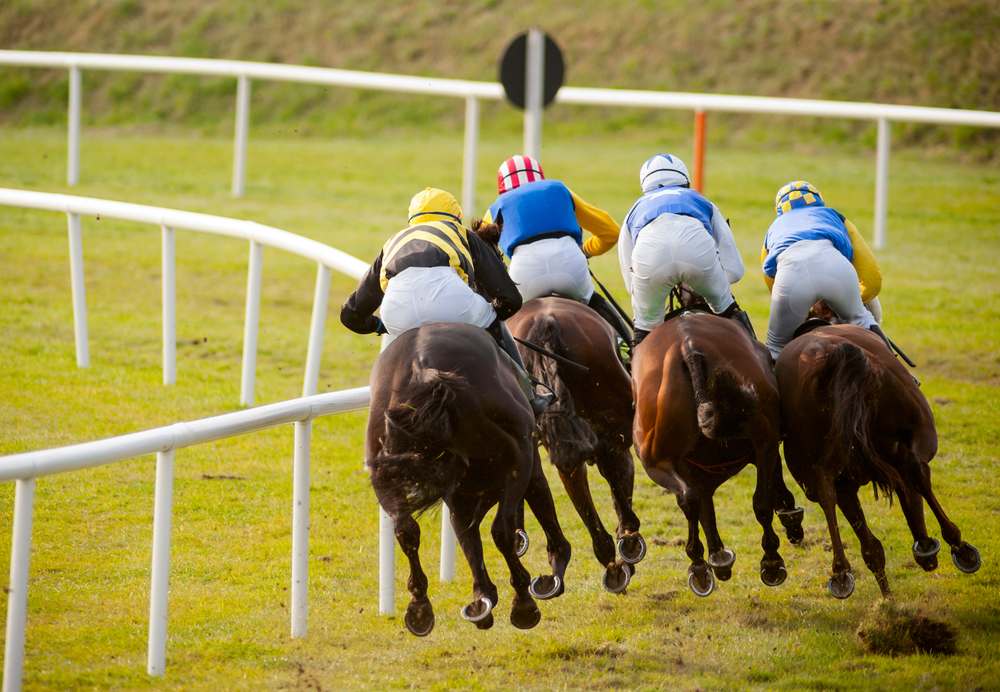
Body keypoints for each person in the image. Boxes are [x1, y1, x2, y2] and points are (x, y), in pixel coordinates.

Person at [340, 187, 552, 414]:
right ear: (456, 216)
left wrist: (380, 325)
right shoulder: (462, 234)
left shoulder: (393, 242)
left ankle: (385, 415)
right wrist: (492, 316)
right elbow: (509, 298)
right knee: (494, 322)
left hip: (396, 315)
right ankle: (529, 395)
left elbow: (350, 315)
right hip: (452, 304)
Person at [482, 154, 633, 359]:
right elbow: (611, 232)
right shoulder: (559, 189)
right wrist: (585, 250)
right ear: (540, 178)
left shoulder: (497, 206)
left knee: (499, 327)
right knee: (595, 303)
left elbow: (482, 258)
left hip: (524, 273)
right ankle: (626, 351)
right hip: (569, 264)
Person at [618, 153, 753, 346]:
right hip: (698, 257)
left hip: (650, 262)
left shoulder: (634, 209)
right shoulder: (701, 200)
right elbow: (735, 270)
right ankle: (759, 359)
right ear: (684, 180)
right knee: (728, 311)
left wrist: (646, 296)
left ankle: (635, 371)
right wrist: (716, 285)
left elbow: (628, 275)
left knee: (644, 330)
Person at [761, 180, 885, 360]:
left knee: (775, 345)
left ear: (779, 209)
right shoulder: (834, 216)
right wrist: (853, 298)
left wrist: (802, 306)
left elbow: (769, 276)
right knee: (863, 320)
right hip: (836, 270)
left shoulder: (773, 228)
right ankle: (902, 375)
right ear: (818, 200)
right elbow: (872, 276)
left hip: (791, 278)